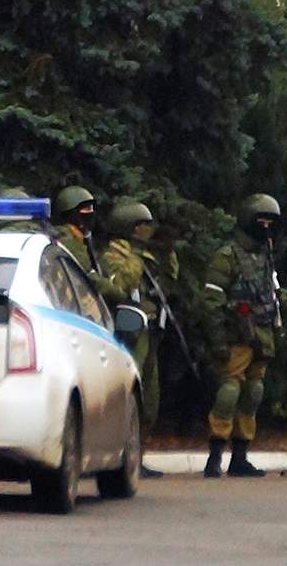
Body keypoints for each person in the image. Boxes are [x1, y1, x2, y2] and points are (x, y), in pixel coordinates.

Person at [201, 193, 287, 478]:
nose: (266, 225)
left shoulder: (265, 255)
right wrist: (217, 340)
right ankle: (215, 454)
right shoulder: (227, 256)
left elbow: (273, 290)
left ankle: (240, 456)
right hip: (236, 336)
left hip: (263, 335)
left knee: (254, 392)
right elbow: (211, 300)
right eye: (261, 219)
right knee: (229, 391)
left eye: (271, 221)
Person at [99, 198, 166, 479]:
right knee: (131, 392)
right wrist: (136, 260)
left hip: (149, 330)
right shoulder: (114, 255)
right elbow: (118, 287)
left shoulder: (146, 256)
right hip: (128, 332)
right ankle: (124, 454)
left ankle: (139, 452)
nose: (147, 231)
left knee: (150, 395)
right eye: (141, 226)